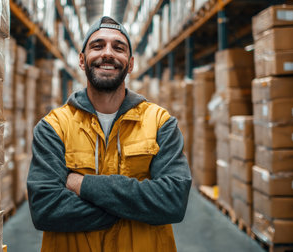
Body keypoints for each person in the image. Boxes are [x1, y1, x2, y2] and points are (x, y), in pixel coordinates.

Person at [27, 16, 192, 252]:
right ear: (82, 61)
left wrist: (82, 184)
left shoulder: (160, 123)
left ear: (130, 63)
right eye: (97, 46)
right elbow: (45, 209)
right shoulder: (53, 127)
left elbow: (172, 201)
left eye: (118, 47)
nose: (107, 53)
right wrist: (135, 207)